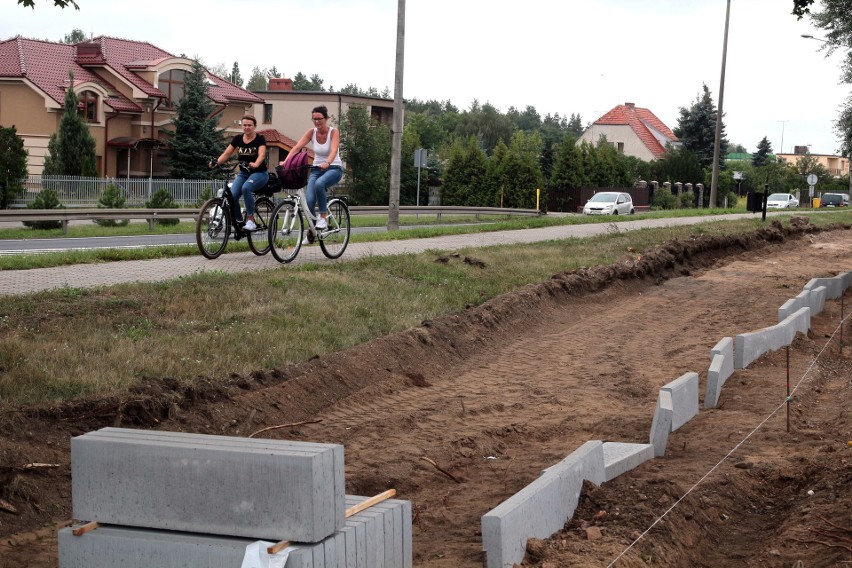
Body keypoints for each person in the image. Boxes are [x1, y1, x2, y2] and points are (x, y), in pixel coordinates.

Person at [280, 105, 343, 238]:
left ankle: (323, 217)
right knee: (308, 201)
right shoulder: (311, 132)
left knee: (319, 184)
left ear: (326, 118)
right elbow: (297, 147)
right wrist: (286, 162)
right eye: (314, 119)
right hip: (316, 169)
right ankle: (312, 232)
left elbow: (333, 150)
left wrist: (328, 162)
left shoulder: (333, 132)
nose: (317, 122)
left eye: (319, 119)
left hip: (333, 168)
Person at [211, 114, 267, 231]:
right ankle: (239, 221)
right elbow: (226, 154)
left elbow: (262, 155)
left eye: (249, 125)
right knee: (232, 196)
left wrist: (256, 164)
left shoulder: (260, 139)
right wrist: (217, 162)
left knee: (246, 188)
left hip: (259, 173)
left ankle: (251, 220)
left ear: (255, 126)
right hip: (243, 173)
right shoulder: (237, 139)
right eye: (244, 125)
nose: (247, 127)